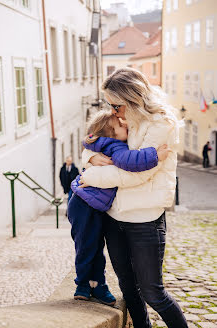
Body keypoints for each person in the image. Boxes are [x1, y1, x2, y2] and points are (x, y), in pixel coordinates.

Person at [80, 68, 188, 328]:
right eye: (110, 105)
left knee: (153, 292)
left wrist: (90, 176)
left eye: (115, 105)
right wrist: (90, 159)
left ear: (132, 99)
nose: (113, 112)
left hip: (145, 219)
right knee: (129, 289)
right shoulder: (126, 118)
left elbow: (137, 175)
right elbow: (96, 142)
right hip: (113, 216)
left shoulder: (162, 124)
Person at [68, 109, 170, 306]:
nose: (124, 123)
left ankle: (97, 286)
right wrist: (155, 155)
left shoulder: (104, 142)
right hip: (84, 203)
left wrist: (88, 156)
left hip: (92, 203)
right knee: (87, 246)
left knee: (95, 246)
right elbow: (130, 161)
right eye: (120, 125)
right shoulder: (115, 147)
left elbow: (88, 140)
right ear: (111, 133)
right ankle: (83, 285)